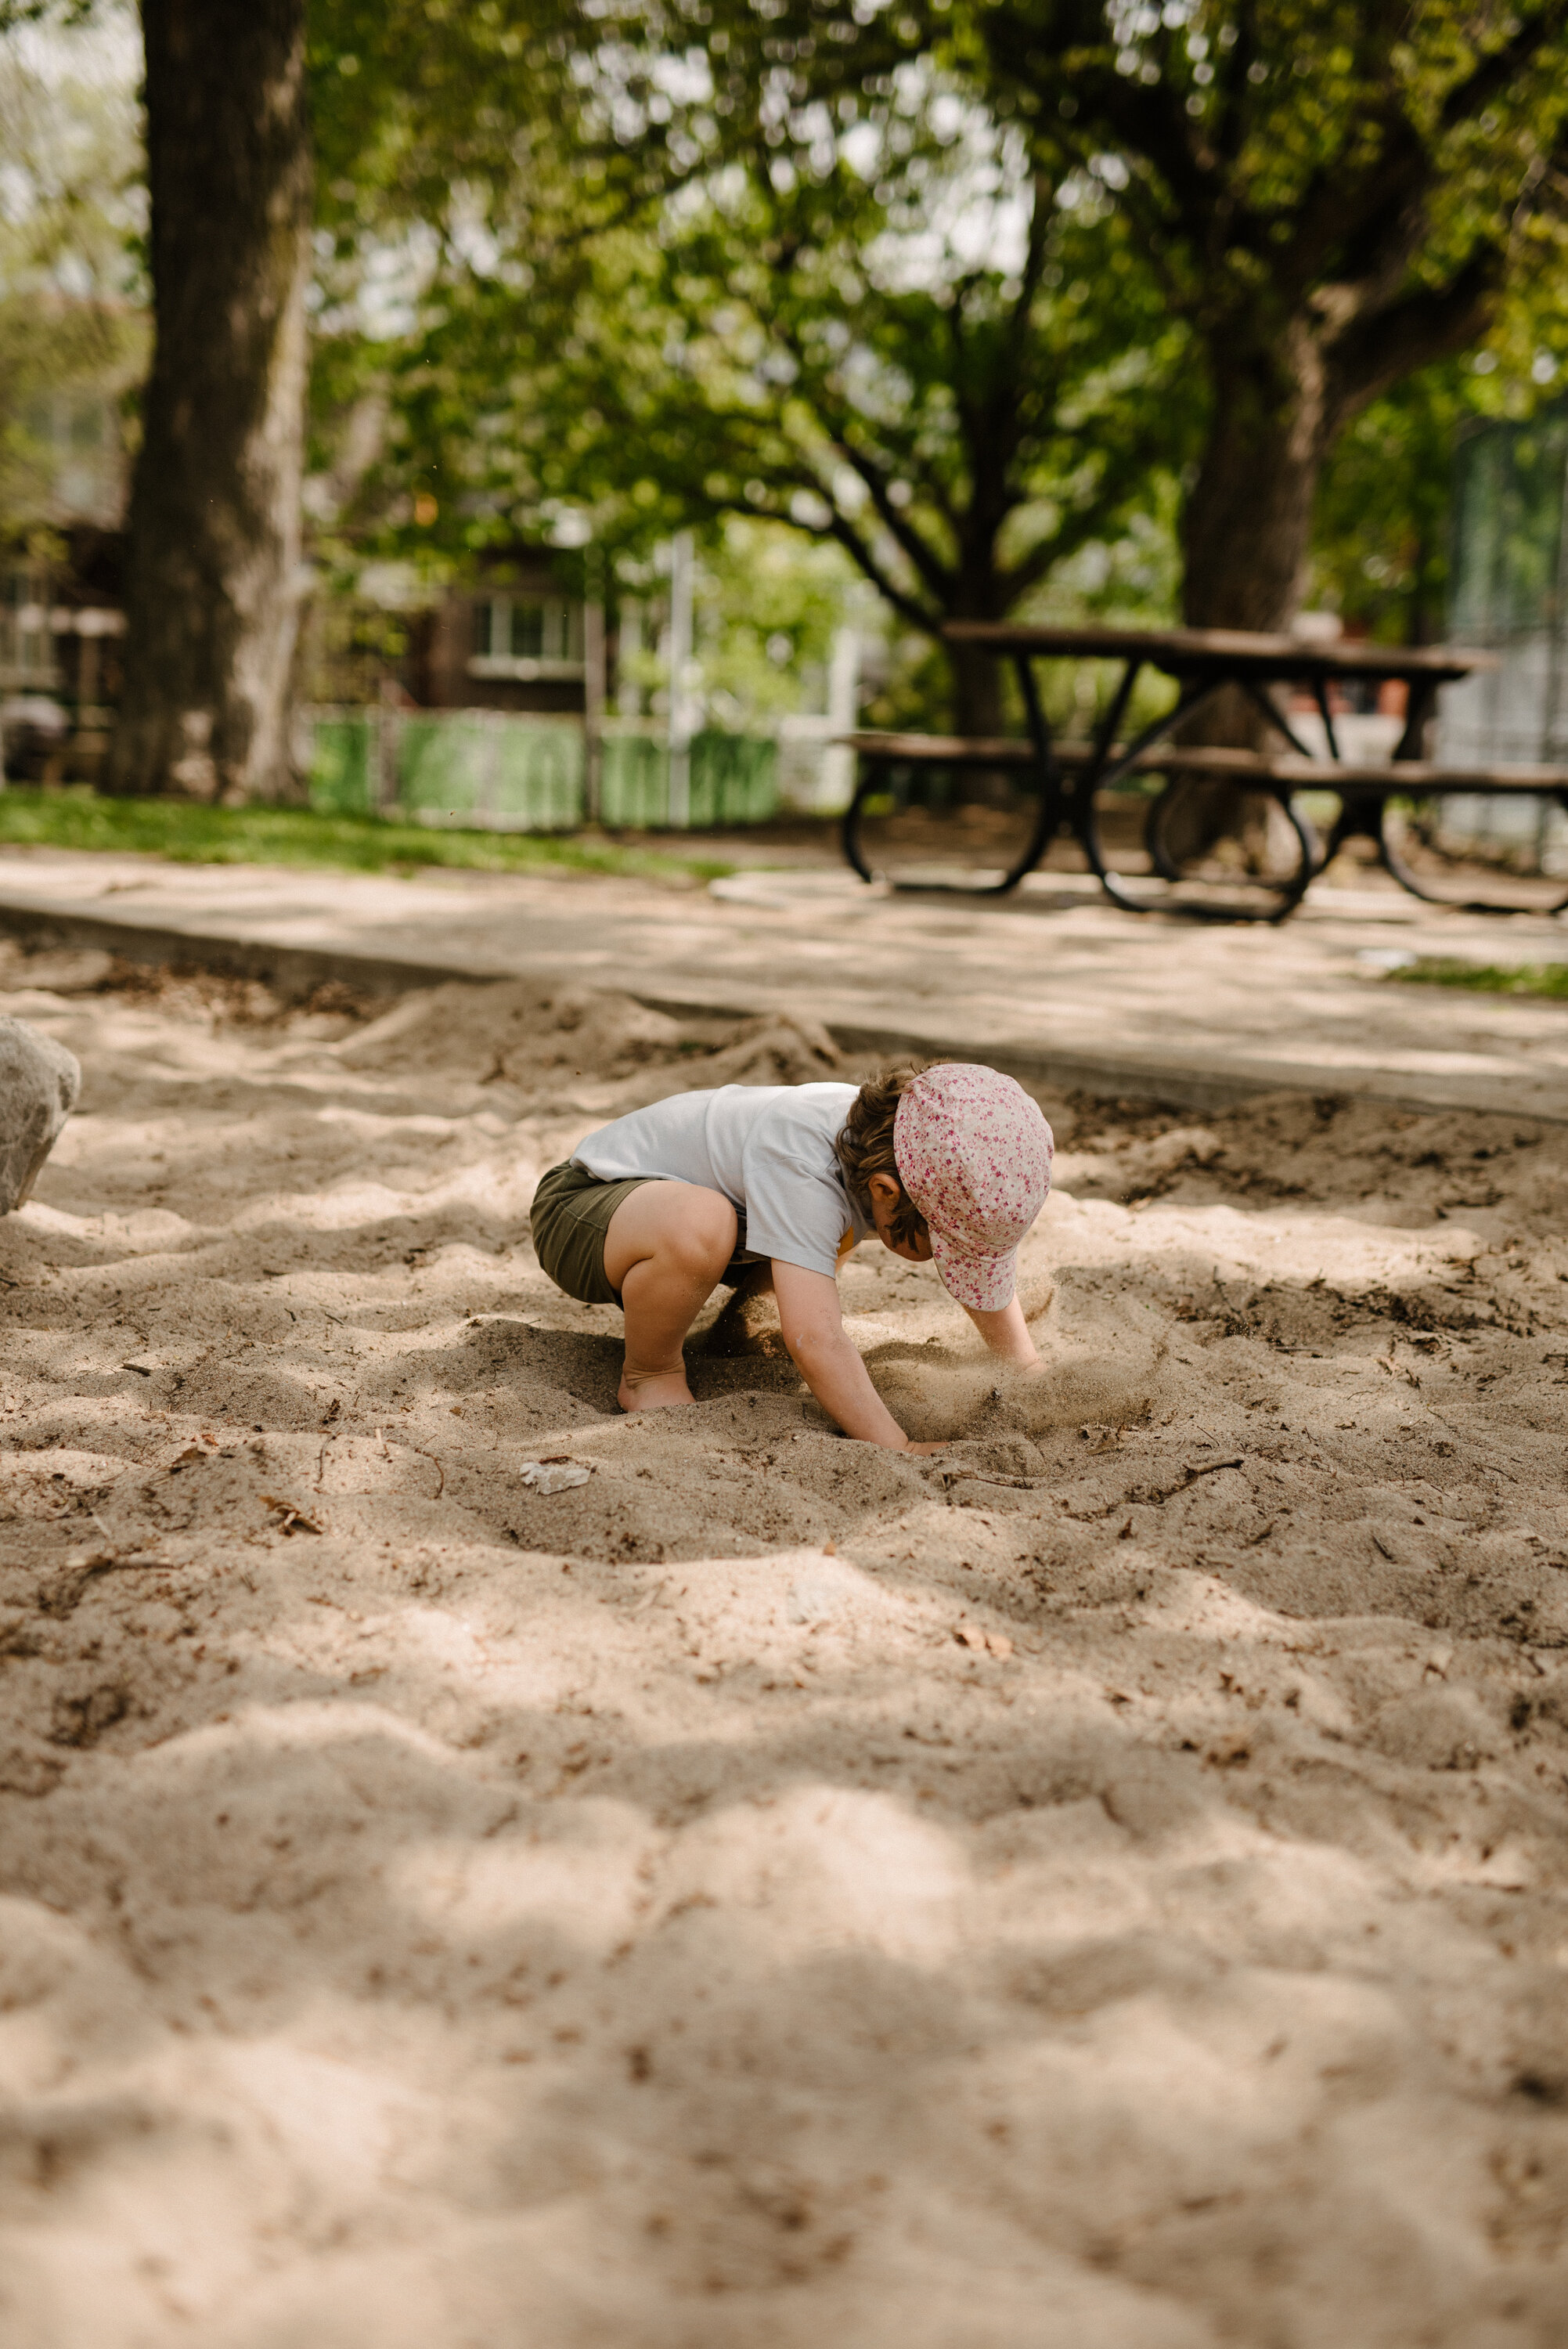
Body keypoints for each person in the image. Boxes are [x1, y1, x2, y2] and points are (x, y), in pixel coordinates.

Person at [529, 1059, 1053, 1453]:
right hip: (583, 1210)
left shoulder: (903, 1139)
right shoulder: (802, 1160)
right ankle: (649, 1374)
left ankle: (736, 1326)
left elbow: (986, 1283)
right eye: (942, 1248)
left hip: (685, 1219)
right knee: (705, 1222)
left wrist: (1025, 1368)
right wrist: (895, 1445)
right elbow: (815, 1338)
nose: (946, 1262)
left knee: (803, 1235)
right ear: (886, 1192)